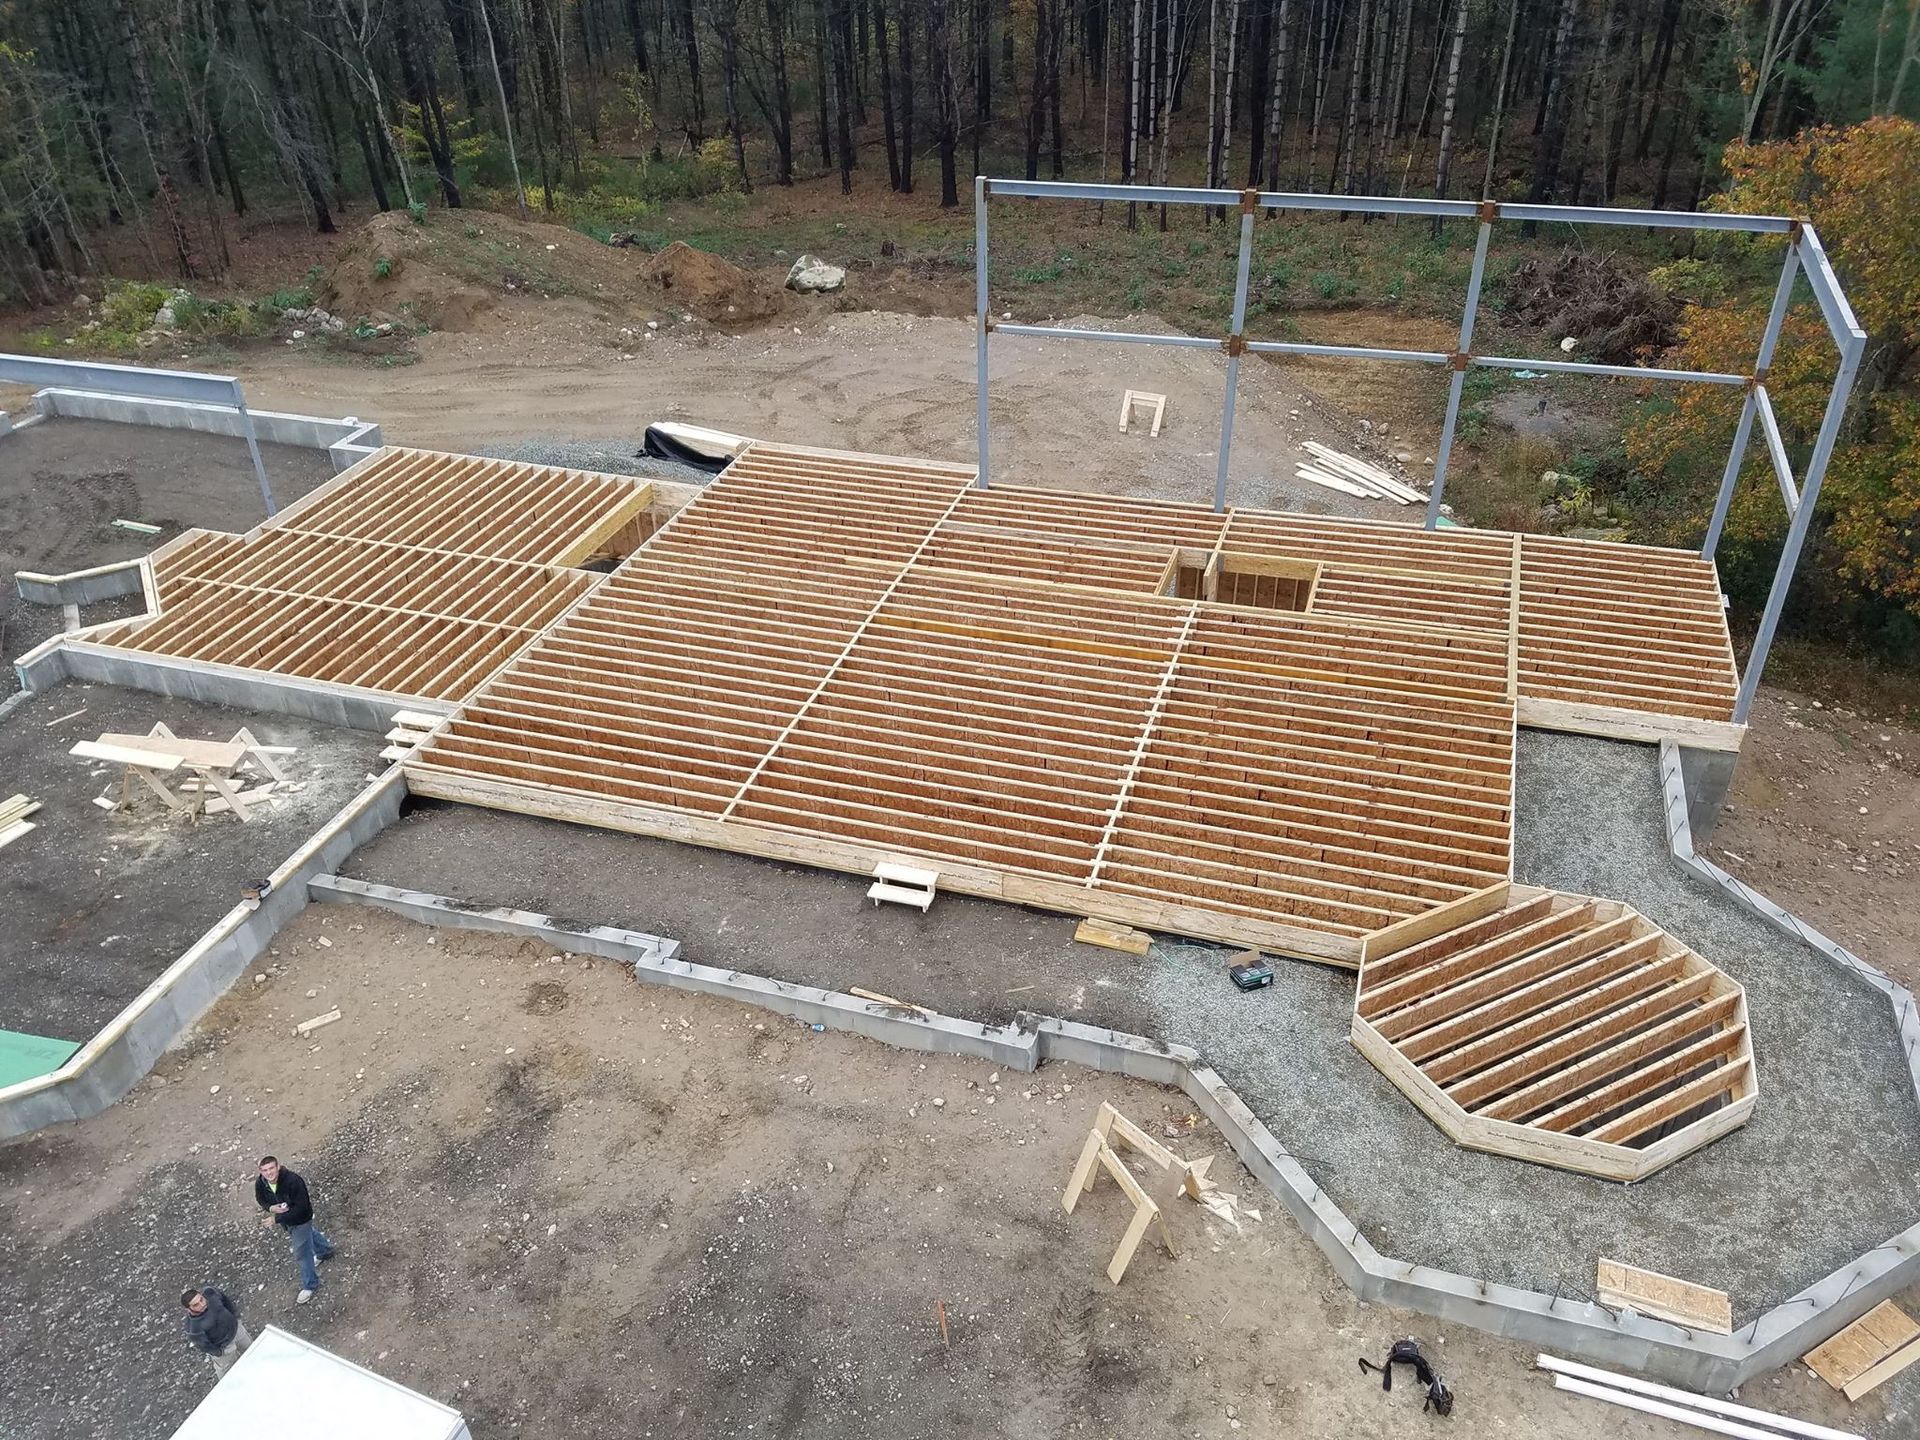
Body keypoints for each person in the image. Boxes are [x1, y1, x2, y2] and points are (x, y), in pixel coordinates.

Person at [254, 1154, 335, 1303]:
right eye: (265, 1170)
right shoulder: (261, 1183)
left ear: (278, 1167)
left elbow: (302, 1208)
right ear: (261, 1171)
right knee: (309, 1235)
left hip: (301, 1220)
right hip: (288, 1223)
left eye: (272, 1168)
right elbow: (260, 1199)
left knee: (302, 1253)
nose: (269, 1173)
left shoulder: (294, 1181)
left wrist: (276, 1219)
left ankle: (311, 1284)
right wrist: (271, 1207)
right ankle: (326, 1251)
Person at [181, 1286, 252, 1377]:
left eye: (201, 1300)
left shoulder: (210, 1293)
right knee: (228, 1372)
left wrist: (236, 1317)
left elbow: (226, 1300)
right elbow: (204, 1346)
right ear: (188, 1309)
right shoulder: (193, 1328)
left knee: (252, 1349)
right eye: (196, 1305)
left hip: (237, 1330)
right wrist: (219, 1352)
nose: (202, 1304)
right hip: (224, 1347)